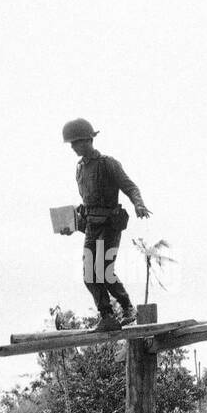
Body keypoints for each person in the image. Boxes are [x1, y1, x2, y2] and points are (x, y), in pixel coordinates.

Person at [59, 118, 150, 331]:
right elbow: (87, 203)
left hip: (110, 225)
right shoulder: (80, 168)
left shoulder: (108, 164)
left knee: (103, 270)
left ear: (88, 140)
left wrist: (139, 205)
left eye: (75, 143)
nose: (72, 148)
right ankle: (107, 315)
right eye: (71, 144)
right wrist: (70, 225)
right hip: (91, 226)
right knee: (89, 276)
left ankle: (128, 307)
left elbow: (130, 187)